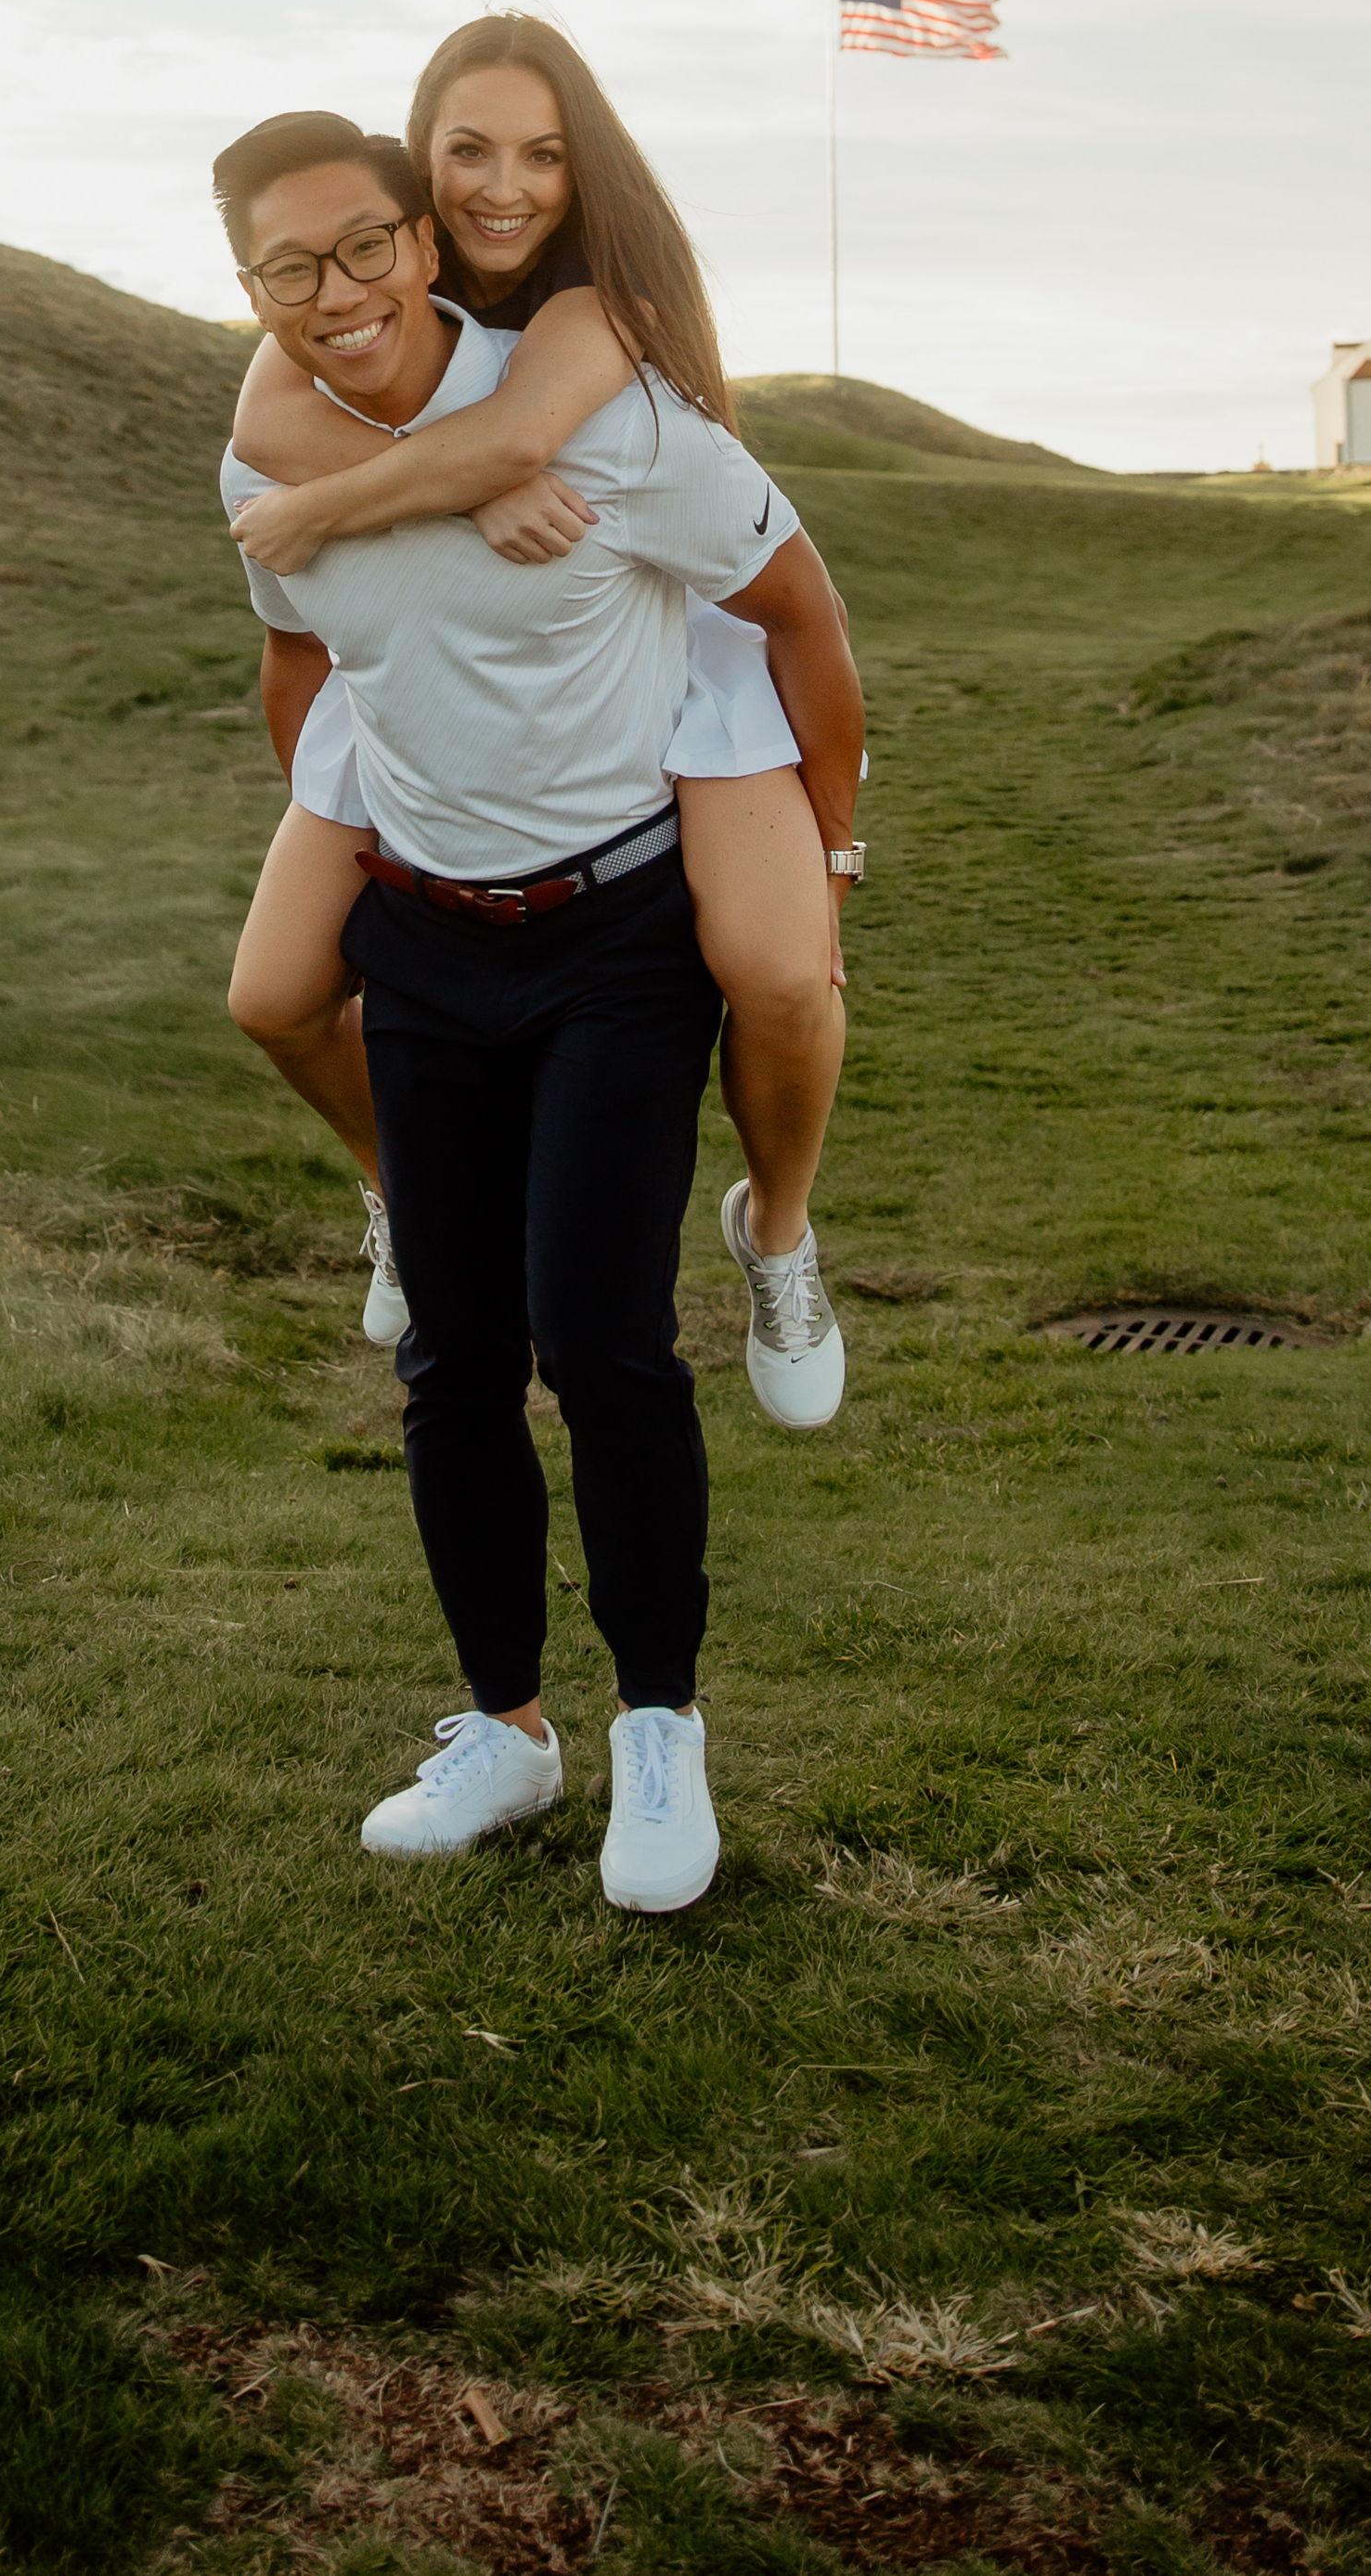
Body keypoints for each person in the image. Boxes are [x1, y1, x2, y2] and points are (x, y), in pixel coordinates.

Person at [210, 106, 864, 1912]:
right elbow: (300, 648)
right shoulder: (259, 457)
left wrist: (832, 839)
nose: (337, 290)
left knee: (601, 1338)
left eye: (366, 246)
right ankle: (504, 1729)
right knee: (451, 1363)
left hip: (613, 936)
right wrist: (355, 815)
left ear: (427, 240)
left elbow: (797, 606)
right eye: (288, 267)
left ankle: (661, 1727)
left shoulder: (612, 421)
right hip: (428, 938)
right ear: (248, 288)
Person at [221, 16, 854, 1428]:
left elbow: (521, 444)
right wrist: (456, 488)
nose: (502, 187)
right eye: (468, 150)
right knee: (271, 993)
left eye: (543, 154)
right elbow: (264, 418)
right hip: (436, 649)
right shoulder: (359, 282)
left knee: (778, 972)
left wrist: (835, 846)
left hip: (650, 628)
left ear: (585, 171)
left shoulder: (599, 306)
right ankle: (401, 1191)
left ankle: (778, 1232)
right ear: (418, 167)